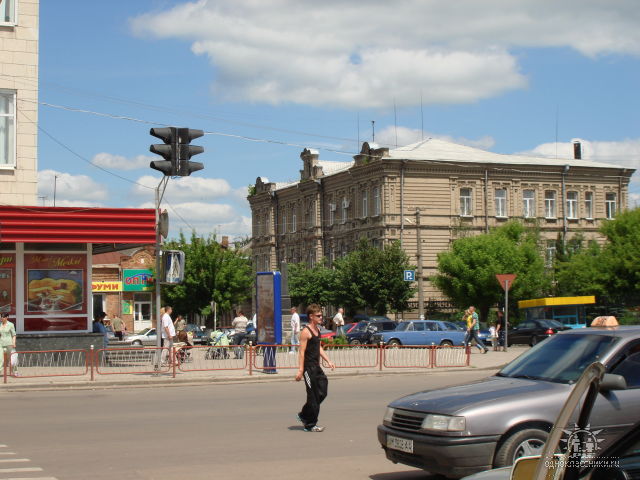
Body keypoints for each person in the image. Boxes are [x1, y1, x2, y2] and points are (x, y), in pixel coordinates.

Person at [295, 304, 335, 432]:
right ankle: (310, 424)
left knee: (323, 391)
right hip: (308, 368)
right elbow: (301, 352)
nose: (320, 317)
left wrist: (328, 360)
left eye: (321, 315)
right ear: (311, 316)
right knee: (313, 397)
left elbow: (318, 347)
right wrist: (301, 370)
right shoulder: (305, 332)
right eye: (318, 315)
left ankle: (304, 415)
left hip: (316, 367)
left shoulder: (317, 330)